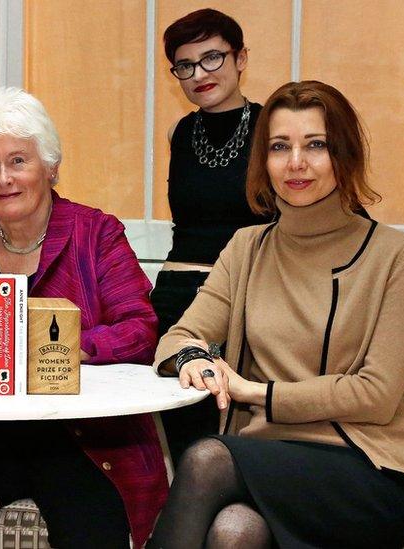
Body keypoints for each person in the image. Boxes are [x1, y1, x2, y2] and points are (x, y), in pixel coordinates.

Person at [146, 81, 404, 548]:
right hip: (265, 461)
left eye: (315, 145)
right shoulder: (247, 248)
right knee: (234, 530)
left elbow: (376, 394)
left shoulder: (393, 254)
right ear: (263, 160)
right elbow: (181, 335)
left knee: (207, 458)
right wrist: (193, 357)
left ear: (345, 154)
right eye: (280, 147)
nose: (296, 162)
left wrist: (253, 391)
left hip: (369, 470)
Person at [0, 88, 166, 549]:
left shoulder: (96, 234)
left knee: (89, 517)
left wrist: (67, 347)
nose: (4, 178)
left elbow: (140, 329)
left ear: (50, 167)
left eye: (18, 161)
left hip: (78, 432)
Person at [153, 8, 274, 464]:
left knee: (226, 443)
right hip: (174, 299)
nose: (199, 74)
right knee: (177, 441)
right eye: (185, 66)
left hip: (244, 300)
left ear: (241, 58)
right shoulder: (179, 132)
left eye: (212, 58)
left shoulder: (272, 130)